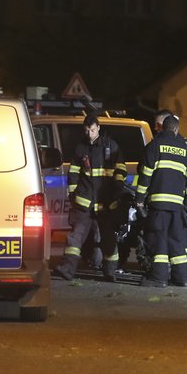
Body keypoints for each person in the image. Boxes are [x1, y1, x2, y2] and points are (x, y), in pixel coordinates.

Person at [54, 114, 128, 282]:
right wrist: (73, 194)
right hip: (85, 201)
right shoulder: (80, 148)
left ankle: (110, 271)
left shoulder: (111, 146)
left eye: (92, 130)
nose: (89, 134)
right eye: (87, 130)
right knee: (76, 237)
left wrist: (117, 187)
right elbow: (73, 172)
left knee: (108, 238)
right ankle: (67, 269)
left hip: (106, 201)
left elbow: (121, 168)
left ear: (98, 128)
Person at [134, 114, 187, 287]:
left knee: (159, 239)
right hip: (178, 206)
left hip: (158, 204)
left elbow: (145, 176)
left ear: (162, 128)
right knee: (177, 241)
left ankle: (158, 278)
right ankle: (181, 278)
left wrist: (139, 199)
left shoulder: (154, 146)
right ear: (176, 129)